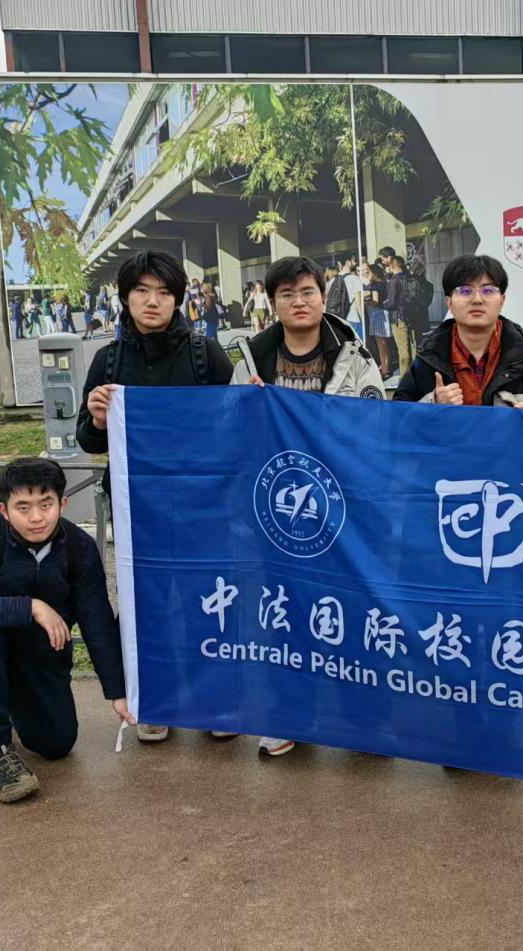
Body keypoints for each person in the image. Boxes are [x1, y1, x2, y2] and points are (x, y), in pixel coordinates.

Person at [77, 250, 234, 744]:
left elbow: (235, 427)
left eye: (164, 292)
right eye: (142, 291)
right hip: (137, 509)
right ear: (125, 298)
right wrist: (97, 419)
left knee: (208, 601)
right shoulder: (108, 360)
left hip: (204, 507)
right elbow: (88, 440)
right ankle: (153, 699)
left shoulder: (206, 355)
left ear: (178, 299)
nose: (153, 301)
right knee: (147, 605)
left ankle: (214, 701)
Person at [231, 256, 385, 756]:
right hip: (277, 509)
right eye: (287, 294)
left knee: (352, 609)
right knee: (285, 612)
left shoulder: (354, 355)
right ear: (272, 302)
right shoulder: (251, 360)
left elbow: (376, 428)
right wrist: (244, 406)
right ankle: (291, 715)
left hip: (343, 510)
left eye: (307, 292)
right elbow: (230, 433)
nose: (298, 302)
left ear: (323, 296)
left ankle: (364, 718)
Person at [0, 457, 132, 803]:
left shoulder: (78, 547)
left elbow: (97, 619)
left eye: (46, 504)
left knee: (56, 744)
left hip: (38, 650)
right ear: (4, 509)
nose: (36, 517)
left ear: (62, 503)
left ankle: (10, 697)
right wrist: (32, 607)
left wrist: (118, 691)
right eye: (23, 507)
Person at [393, 254, 523, 412]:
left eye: (488, 290)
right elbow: (397, 420)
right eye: (465, 291)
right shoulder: (428, 360)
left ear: (502, 300)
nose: (477, 299)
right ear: (449, 302)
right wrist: (433, 403)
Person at [363, 263, 391, 379]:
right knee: (385, 343)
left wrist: (366, 302)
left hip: (378, 314)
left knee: (381, 344)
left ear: (374, 273)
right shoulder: (385, 283)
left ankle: (385, 370)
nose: (367, 274)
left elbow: (375, 301)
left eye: (368, 272)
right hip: (384, 313)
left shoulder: (375, 285)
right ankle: (386, 366)